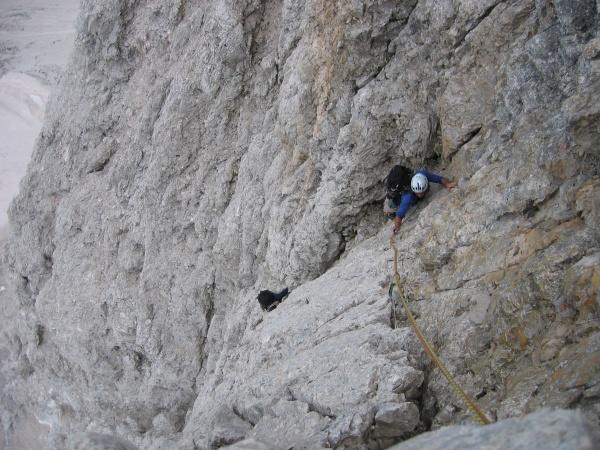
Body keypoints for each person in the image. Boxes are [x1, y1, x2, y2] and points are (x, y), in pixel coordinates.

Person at [385, 169, 456, 234]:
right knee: (393, 205)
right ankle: (390, 211)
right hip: (395, 201)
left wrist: (447, 184)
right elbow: (399, 216)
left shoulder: (423, 174)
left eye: (422, 192)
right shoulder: (408, 197)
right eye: (418, 193)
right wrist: (397, 227)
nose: (420, 195)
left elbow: (440, 179)